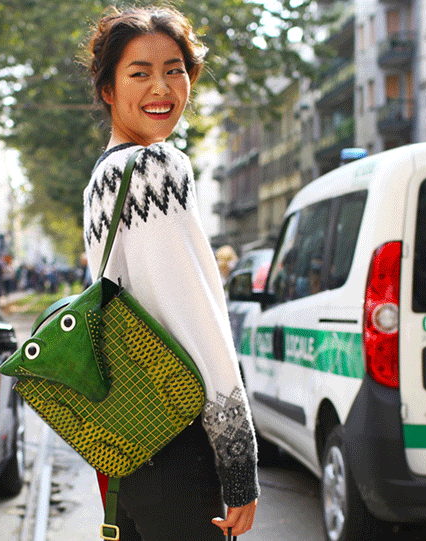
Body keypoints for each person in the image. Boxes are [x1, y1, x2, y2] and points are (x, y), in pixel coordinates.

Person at [83, 6, 259, 539]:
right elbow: (198, 321)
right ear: (108, 89)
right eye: (139, 73)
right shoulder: (157, 168)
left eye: (174, 70)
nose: (161, 87)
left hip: (128, 448)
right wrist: (239, 463)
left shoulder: (101, 179)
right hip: (180, 448)